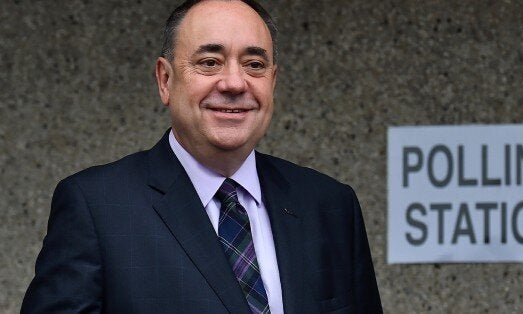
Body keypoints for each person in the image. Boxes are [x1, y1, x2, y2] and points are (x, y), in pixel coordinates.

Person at [21, 0, 382, 313]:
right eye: (210, 62)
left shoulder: (331, 206)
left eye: (254, 65)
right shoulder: (97, 207)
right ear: (165, 80)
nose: (234, 83)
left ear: (272, 82)